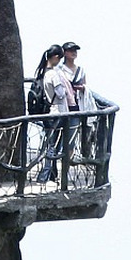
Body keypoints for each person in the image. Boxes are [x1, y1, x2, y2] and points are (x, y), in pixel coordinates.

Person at [35, 44, 74, 183]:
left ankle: (51, 174)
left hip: (50, 112)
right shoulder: (53, 74)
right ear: (56, 57)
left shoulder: (44, 72)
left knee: (51, 143)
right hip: (58, 112)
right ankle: (45, 175)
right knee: (53, 145)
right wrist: (66, 87)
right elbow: (60, 94)